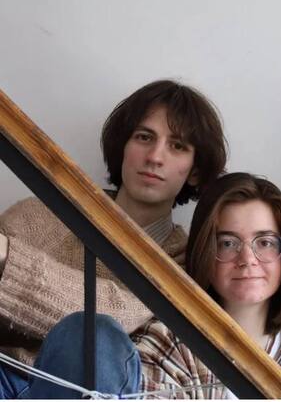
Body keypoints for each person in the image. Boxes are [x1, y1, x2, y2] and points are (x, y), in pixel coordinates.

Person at [0, 79, 227, 399]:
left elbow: (111, 315)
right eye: (144, 137)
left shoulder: (185, 260)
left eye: (177, 146)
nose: (155, 157)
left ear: (195, 171)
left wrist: (8, 258)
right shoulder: (37, 213)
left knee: (98, 335)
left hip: (73, 390)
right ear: (123, 147)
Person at [135, 172, 281, 399]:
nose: (247, 259)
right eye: (228, 243)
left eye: (265, 242)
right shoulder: (164, 346)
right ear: (204, 251)